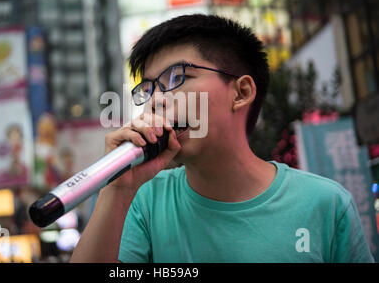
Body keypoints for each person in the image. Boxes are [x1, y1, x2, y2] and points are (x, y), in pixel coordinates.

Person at [70, 14, 374, 263]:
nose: (156, 102)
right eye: (148, 90)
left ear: (241, 92)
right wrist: (118, 190)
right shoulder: (144, 202)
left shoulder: (325, 204)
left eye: (177, 78)